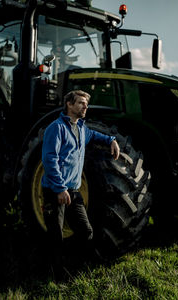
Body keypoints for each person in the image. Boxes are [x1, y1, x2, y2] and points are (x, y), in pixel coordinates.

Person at [41, 90, 120, 282]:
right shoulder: (56, 128)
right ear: (69, 104)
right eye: (81, 103)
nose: (85, 107)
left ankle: (71, 266)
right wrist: (60, 188)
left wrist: (111, 140)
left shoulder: (82, 129)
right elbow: (49, 159)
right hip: (55, 190)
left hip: (73, 191)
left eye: (86, 104)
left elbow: (94, 135)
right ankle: (55, 276)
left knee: (86, 232)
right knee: (56, 235)